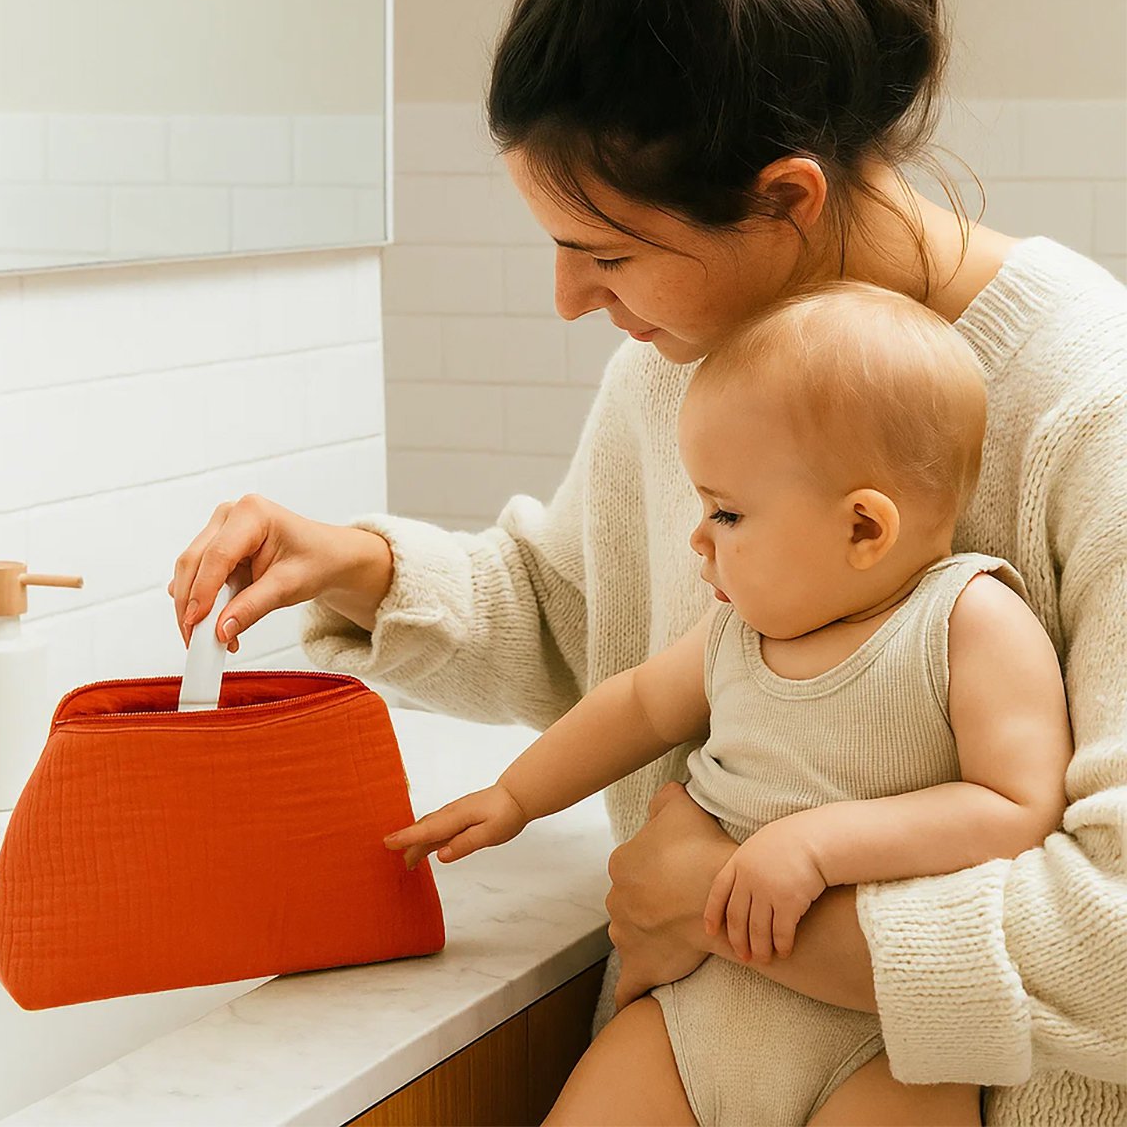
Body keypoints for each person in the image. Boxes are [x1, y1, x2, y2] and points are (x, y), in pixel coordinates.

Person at [169, 0, 1127, 1121]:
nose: (568, 299)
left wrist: (729, 900)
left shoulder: (1095, 405)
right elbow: (593, 626)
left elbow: (1117, 939)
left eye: (605, 251)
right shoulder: (687, 362)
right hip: (692, 1050)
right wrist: (361, 567)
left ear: (785, 198)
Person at [381, 281, 1073, 1125]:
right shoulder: (735, 631)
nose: (698, 537)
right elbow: (634, 707)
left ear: (864, 530)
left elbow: (1019, 807)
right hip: (692, 1019)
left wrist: (818, 845)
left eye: (728, 511)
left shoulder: (969, 618)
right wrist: (516, 796)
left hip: (887, 1047)